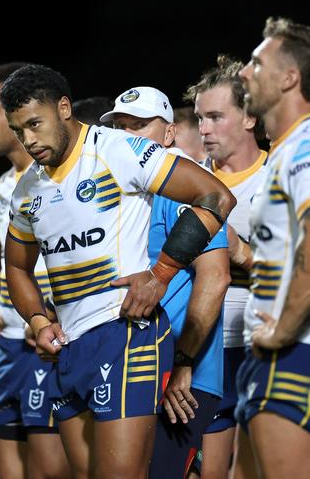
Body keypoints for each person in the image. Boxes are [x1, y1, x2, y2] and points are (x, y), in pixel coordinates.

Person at [1, 64, 235, 478]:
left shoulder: (117, 150)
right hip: (70, 348)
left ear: (64, 107)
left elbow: (215, 197)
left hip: (126, 334)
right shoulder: (27, 190)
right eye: (19, 131)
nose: (29, 140)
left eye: (35, 124)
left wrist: (160, 275)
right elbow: (16, 267)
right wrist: (38, 320)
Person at [100, 86, 231, 476]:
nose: (127, 136)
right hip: (136, 368)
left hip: (182, 374)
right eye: (121, 127)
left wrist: (184, 362)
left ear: (170, 134)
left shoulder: (182, 188)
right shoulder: (129, 191)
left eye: (140, 126)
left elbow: (216, 277)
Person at [0, 63, 70, 479]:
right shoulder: (5, 185)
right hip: (9, 350)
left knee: (51, 472)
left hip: (46, 347)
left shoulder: (58, 179)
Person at [184, 55, 268, 479]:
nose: (203, 129)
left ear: (250, 117)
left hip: (262, 348)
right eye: (200, 118)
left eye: (216, 116)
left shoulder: (278, 177)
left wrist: (241, 254)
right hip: (201, 353)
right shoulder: (187, 181)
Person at [235, 16, 310, 478]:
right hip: (266, 356)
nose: (245, 72)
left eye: (256, 63)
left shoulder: (304, 146)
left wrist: (282, 331)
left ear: (290, 77)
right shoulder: (285, 150)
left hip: (292, 352)